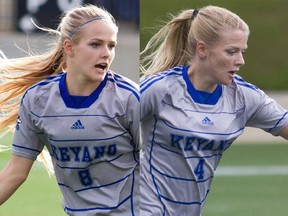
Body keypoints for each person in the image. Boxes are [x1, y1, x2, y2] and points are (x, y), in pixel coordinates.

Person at [140, 5, 288, 216]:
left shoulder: (243, 97)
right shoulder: (160, 89)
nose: (240, 60)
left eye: (242, 51)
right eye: (231, 51)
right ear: (202, 49)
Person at [0, 4, 140, 216]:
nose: (106, 54)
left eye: (111, 46)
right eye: (95, 44)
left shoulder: (130, 99)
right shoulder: (38, 100)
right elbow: (15, 172)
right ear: (68, 47)